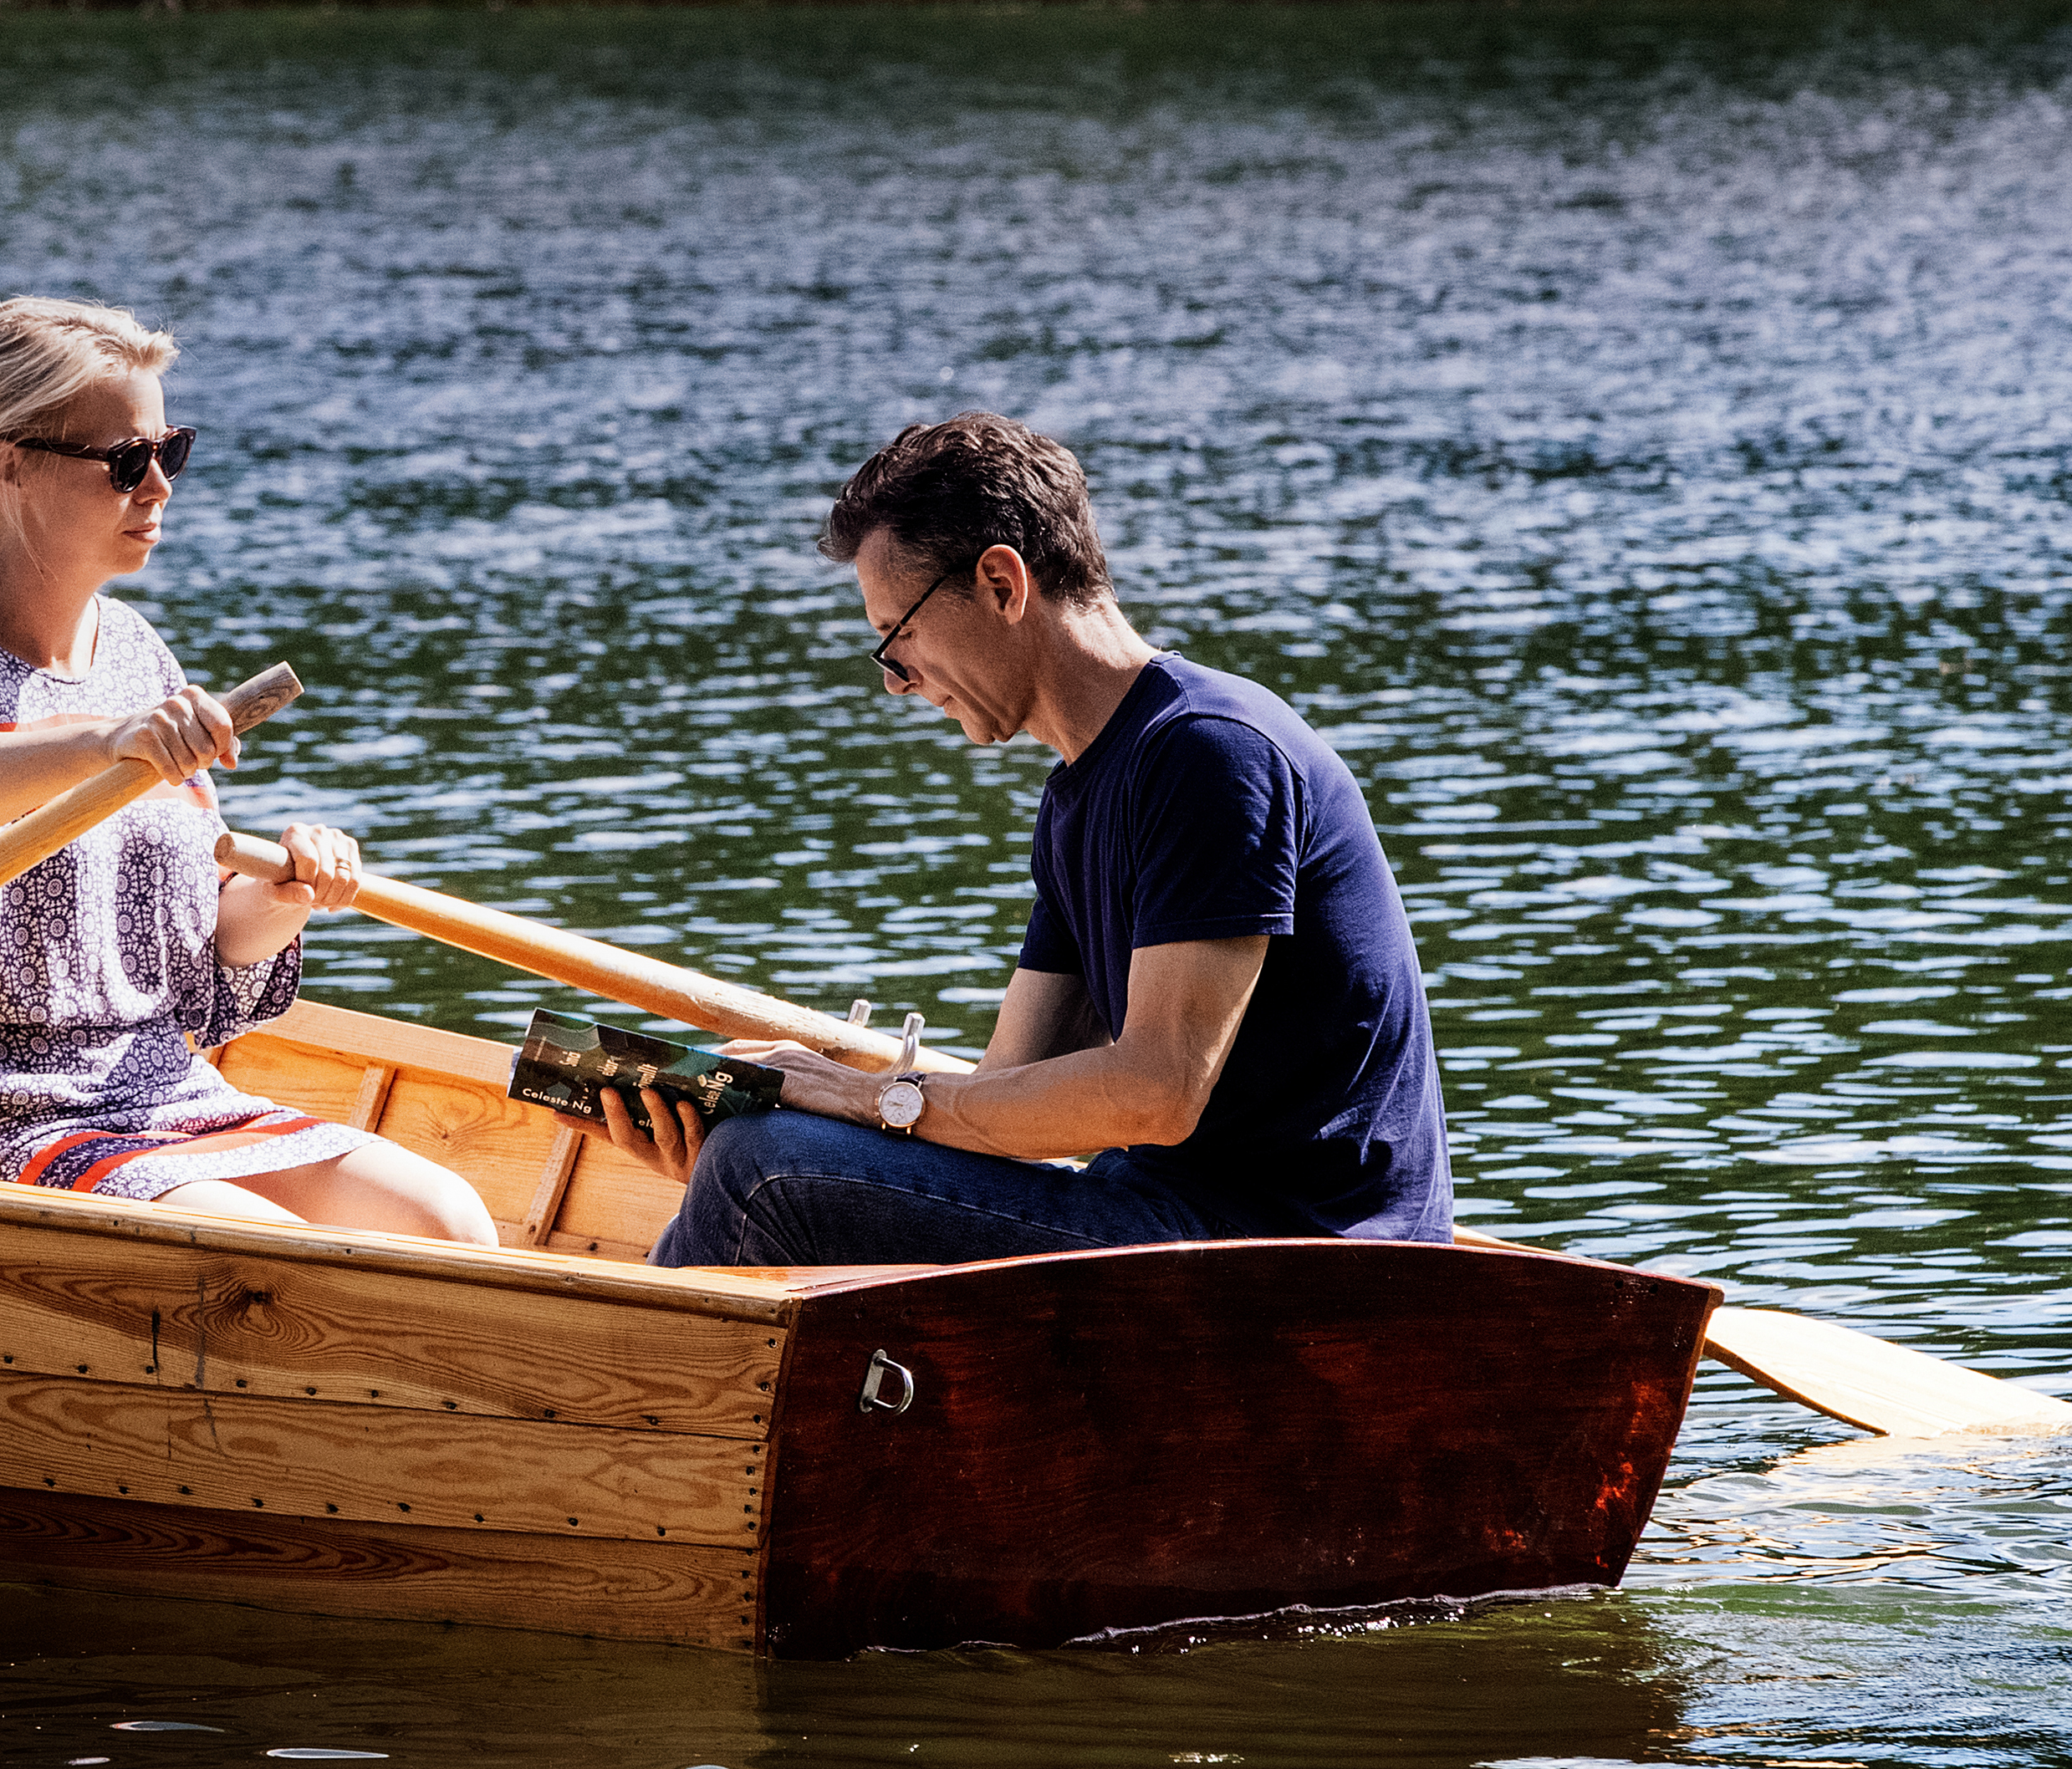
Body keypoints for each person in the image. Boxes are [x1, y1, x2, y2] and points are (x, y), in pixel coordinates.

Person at [592, 410, 1450, 1266]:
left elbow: (1157, 1091)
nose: (896, 682)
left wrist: (858, 1099)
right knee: (752, 1156)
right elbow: (1001, 1092)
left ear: (1002, 584)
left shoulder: (1210, 752)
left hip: (1305, 1259)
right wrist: (785, 1117)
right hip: (1165, 1219)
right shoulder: (1080, 796)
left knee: (763, 1171)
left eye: (897, 637)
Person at [0, 295, 499, 1245]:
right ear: (11, 462)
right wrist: (105, 743)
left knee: (450, 1221)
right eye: (124, 461)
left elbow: (209, 938)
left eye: (169, 451)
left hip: (157, 1089)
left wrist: (288, 893)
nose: (158, 487)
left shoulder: (137, 652)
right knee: (273, 1252)